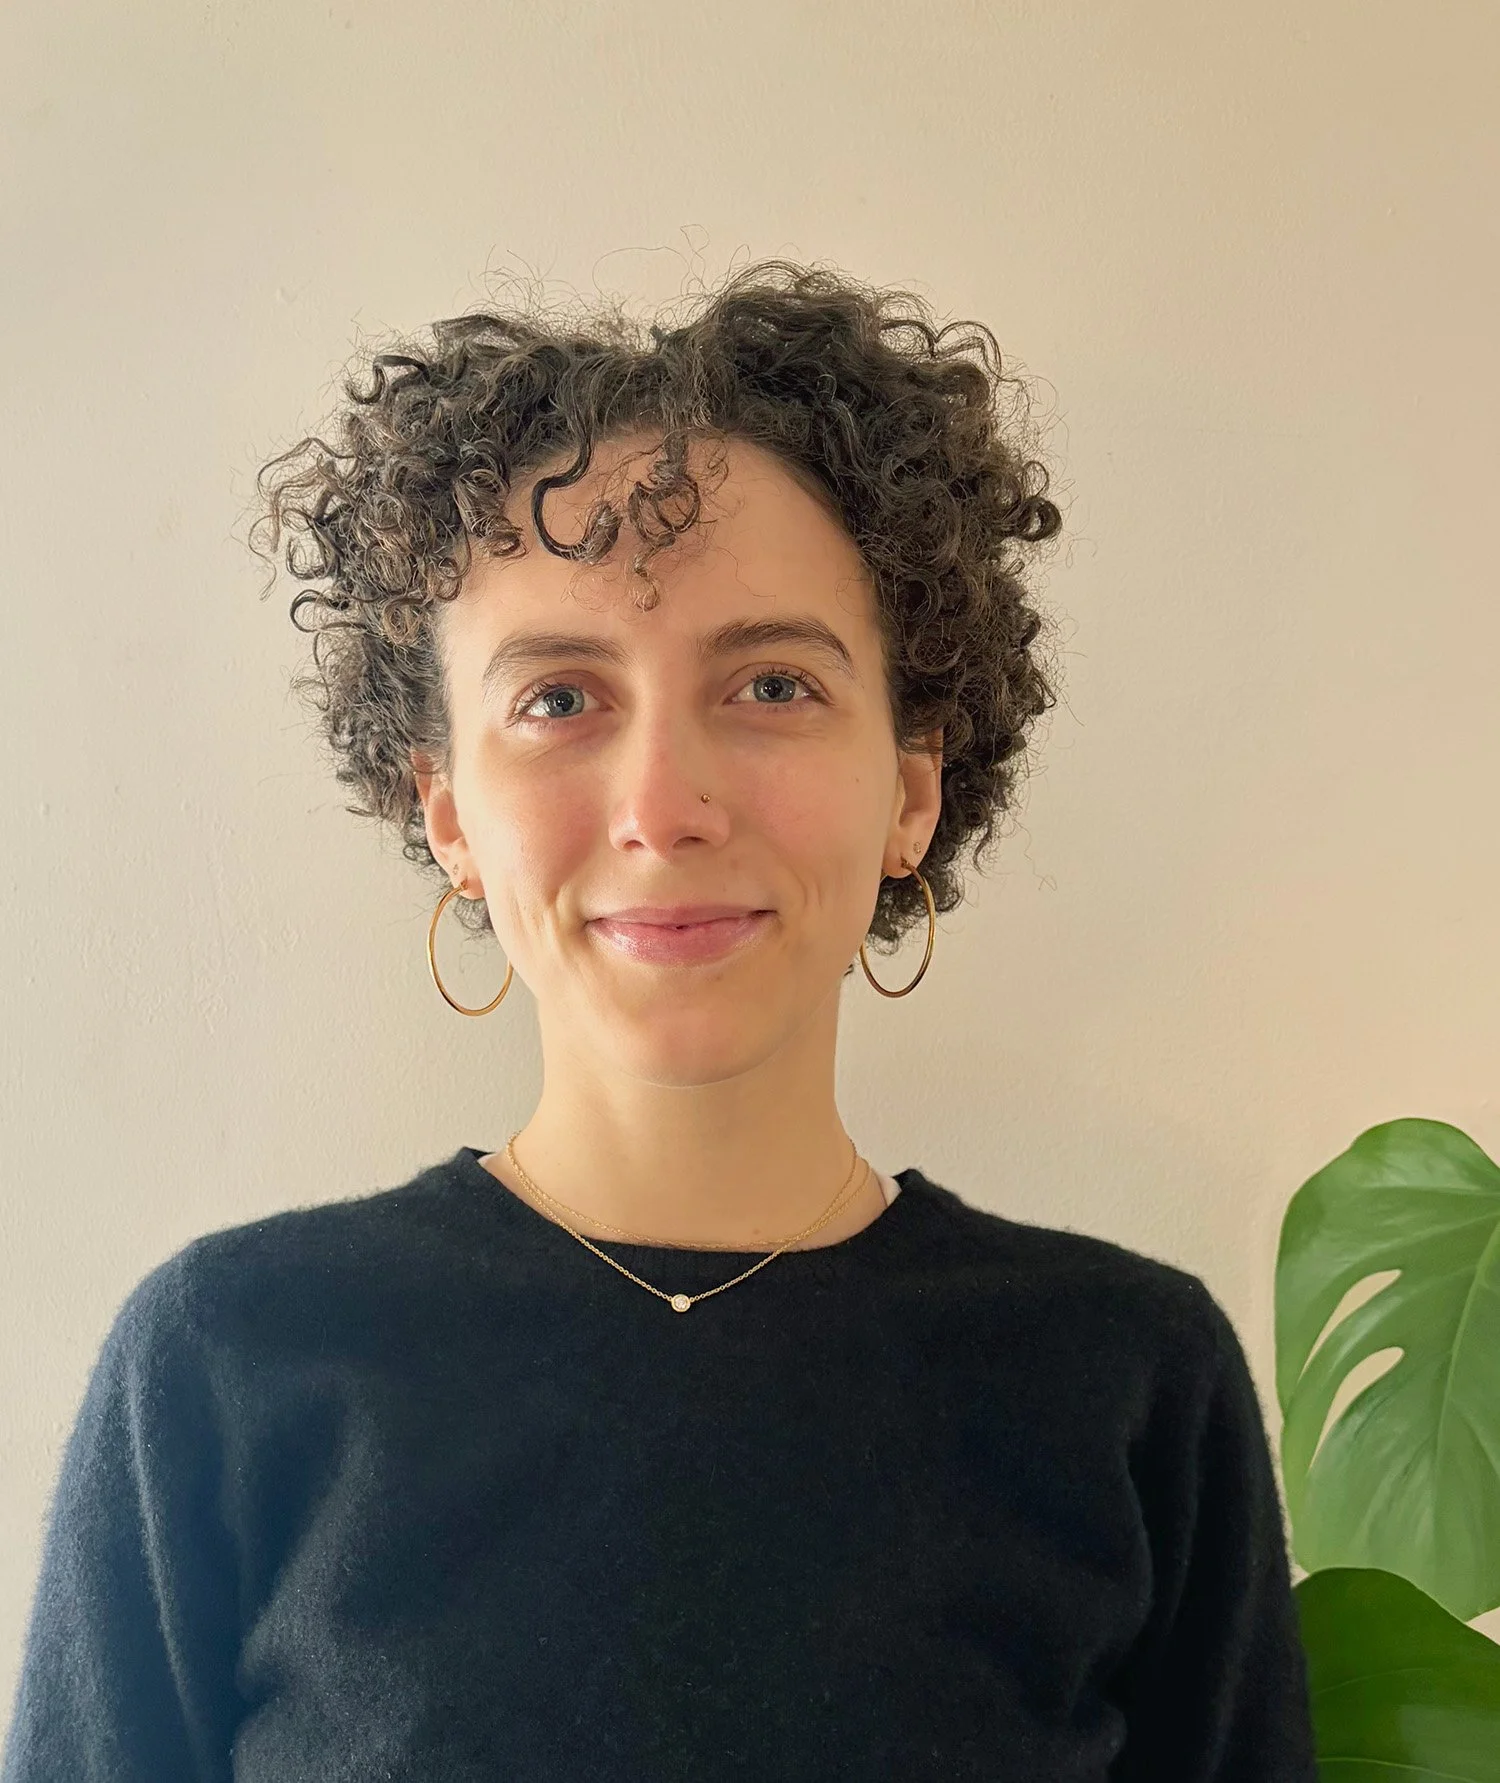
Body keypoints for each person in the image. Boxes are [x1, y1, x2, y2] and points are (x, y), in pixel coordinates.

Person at [1, 261, 1319, 1780]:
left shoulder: (1128, 1381)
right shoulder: (233, 1362)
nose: (662, 807)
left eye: (770, 681)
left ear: (911, 786)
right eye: (559, 699)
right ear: (447, 811)